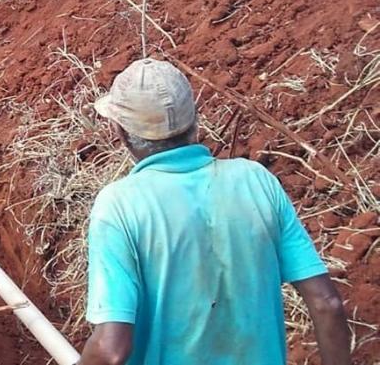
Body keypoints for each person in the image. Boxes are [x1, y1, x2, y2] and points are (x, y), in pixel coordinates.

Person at [78, 58, 351, 365]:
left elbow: (110, 350)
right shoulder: (256, 181)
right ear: (195, 120)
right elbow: (327, 304)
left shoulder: (120, 205)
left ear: (120, 132)